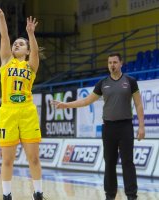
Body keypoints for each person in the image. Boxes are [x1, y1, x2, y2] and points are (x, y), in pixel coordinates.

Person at [51, 53, 145, 200]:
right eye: (109, 63)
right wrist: (66, 104)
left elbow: (139, 104)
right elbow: (86, 101)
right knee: (109, 162)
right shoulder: (102, 83)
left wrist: (141, 126)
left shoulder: (130, 81)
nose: (112, 65)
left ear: (121, 63)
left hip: (125, 126)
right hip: (109, 128)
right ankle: (110, 195)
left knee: (128, 162)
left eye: (115, 62)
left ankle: (131, 196)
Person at [0, 8, 45, 200]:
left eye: (21, 44)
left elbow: (36, 52)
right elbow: (4, 36)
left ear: (27, 50)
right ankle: (6, 195)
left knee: (34, 158)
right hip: (8, 112)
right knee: (7, 160)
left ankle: (38, 193)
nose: (16, 45)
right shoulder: (6, 61)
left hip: (28, 112)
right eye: (16, 43)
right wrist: (2, 17)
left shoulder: (31, 65)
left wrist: (31, 34)